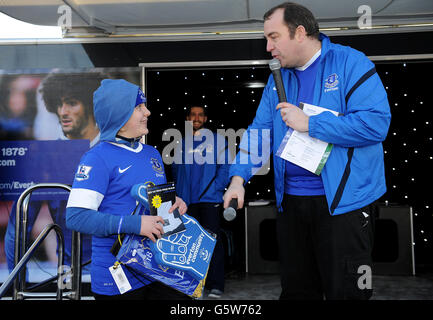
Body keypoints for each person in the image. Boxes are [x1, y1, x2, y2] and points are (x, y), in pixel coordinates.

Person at [223, 2, 391, 300]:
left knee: (349, 292)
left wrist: (311, 124)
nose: (267, 47)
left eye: (274, 37)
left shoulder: (351, 63)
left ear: (300, 32)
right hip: (292, 206)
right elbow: (259, 133)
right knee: (297, 292)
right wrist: (238, 179)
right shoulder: (277, 80)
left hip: (344, 208)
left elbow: (375, 125)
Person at [65, 79, 189, 300]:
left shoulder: (152, 153)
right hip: (116, 279)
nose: (148, 112)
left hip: (158, 270)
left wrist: (174, 204)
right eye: (139, 107)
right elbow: (76, 217)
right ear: (119, 118)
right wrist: (134, 224)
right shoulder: (97, 157)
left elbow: (155, 204)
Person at [4, 73, 104, 274]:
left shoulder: (116, 150)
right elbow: (17, 231)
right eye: (58, 105)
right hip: (73, 273)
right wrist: (15, 286)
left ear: (91, 106)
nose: (63, 112)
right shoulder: (45, 157)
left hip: (120, 271)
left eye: (72, 103)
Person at [171, 105, 231, 299]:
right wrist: (179, 196)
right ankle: (193, 285)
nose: (196, 118)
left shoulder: (218, 140)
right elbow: (176, 172)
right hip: (187, 202)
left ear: (205, 119)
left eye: (200, 115)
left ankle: (216, 285)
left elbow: (226, 167)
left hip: (209, 200)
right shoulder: (181, 142)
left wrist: (216, 189)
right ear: (188, 118)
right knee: (189, 245)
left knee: (212, 243)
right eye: (193, 115)